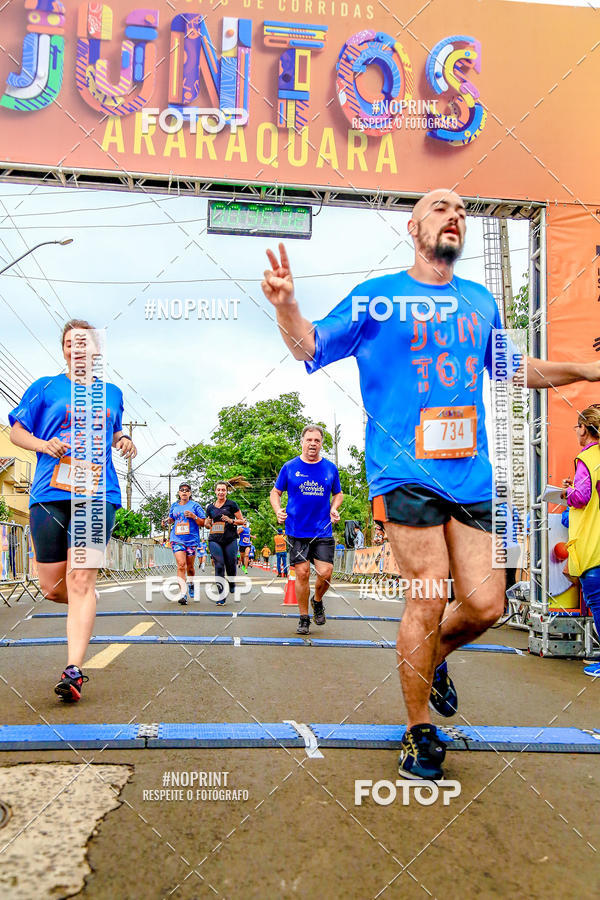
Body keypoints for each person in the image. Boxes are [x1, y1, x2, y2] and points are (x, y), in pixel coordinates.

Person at [261, 188, 600, 780]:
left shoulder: (479, 301)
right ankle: (419, 729)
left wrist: (588, 369)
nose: (455, 216)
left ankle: (432, 656)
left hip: (471, 474)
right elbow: (310, 345)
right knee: (429, 593)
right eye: (440, 208)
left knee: (488, 605)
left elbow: (519, 371)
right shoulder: (378, 297)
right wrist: (287, 307)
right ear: (413, 227)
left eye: (462, 211)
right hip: (403, 471)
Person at [8, 319, 136, 702]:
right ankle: (86, 600)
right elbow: (16, 431)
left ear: (96, 350)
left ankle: (73, 671)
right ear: (63, 349)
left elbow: (112, 430)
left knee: (80, 580)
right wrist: (42, 445)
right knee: (52, 587)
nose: (76, 349)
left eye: (84, 343)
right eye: (69, 343)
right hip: (49, 492)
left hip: (97, 493)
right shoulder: (45, 387)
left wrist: (124, 438)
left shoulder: (111, 393)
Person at [270, 425, 343, 634]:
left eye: (317, 441)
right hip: (296, 529)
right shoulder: (290, 467)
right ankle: (303, 617)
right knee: (301, 573)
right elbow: (275, 492)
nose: (313, 444)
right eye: (309, 440)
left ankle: (317, 600)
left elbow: (338, 493)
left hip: (322, 530)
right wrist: (277, 510)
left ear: (321, 444)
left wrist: (334, 508)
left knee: (326, 573)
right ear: (302, 442)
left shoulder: (330, 468)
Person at [561, 406, 600, 676]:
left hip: (593, 545)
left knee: (598, 604)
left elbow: (581, 498)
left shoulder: (587, 458)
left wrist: (567, 491)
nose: (576, 431)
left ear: (584, 429)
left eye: (577, 427)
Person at [161, 483, 206, 604]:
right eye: (182, 490)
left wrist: (193, 516)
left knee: (190, 568)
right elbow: (171, 519)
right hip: (177, 539)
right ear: (179, 493)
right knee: (181, 565)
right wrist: (166, 522)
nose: (184, 492)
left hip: (191, 540)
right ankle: (182, 593)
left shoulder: (195, 506)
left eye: (187, 490)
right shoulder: (174, 506)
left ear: (190, 493)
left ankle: (191, 583)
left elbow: (204, 522)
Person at [204, 481, 245, 604]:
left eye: (223, 490)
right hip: (214, 539)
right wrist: (206, 524)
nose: (221, 492)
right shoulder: (210, 507)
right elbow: (208, 522)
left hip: (230, 539)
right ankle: (221, 596)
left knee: (231, 564)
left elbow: (242, 521)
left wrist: (231, 520)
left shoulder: (232, 505)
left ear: (227, 491)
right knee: (219, 565)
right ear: (215, 491)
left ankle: (232, 582)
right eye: (219, 490)